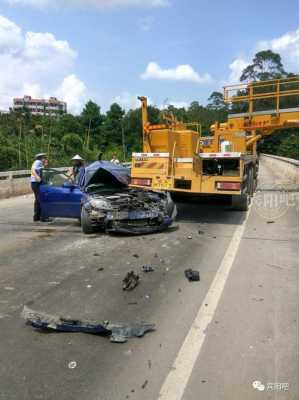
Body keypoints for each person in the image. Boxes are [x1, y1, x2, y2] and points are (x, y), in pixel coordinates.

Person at [30, 153, 46, 222]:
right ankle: (41, 217)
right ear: (41, 158)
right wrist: (37, 177)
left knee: (38, 199)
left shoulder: (40, 163)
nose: (45, 159)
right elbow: (32, 170)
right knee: (39, 199)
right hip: (36, 183)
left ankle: (37, 217)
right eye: (44, 157)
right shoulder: (38, 162)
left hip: (36, 183)